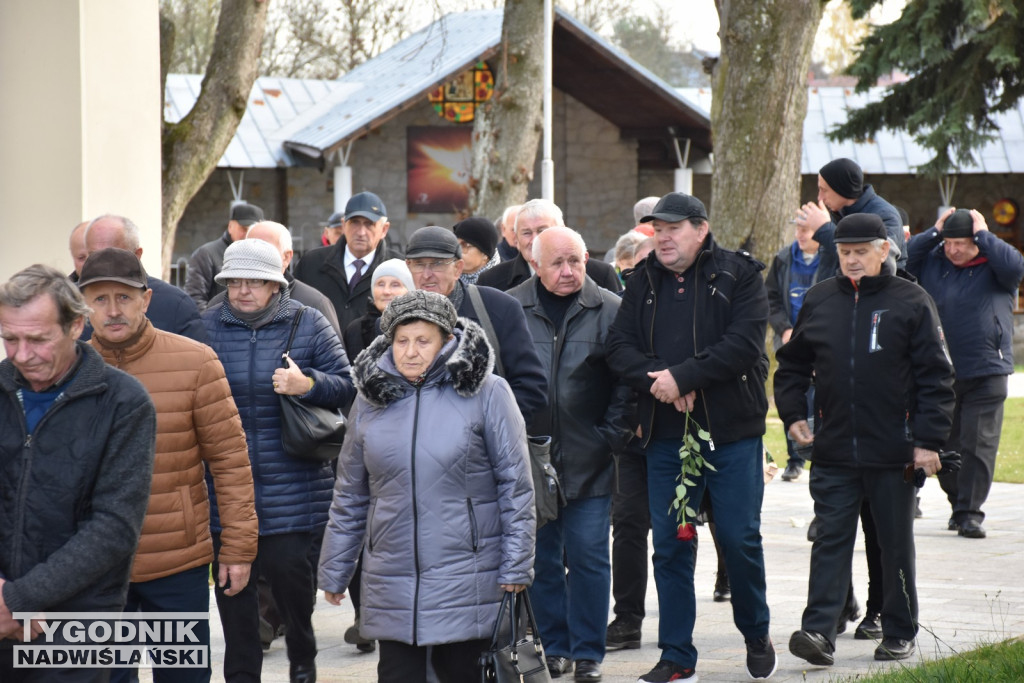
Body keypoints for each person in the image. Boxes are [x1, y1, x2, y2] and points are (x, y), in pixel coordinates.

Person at [318, 290, 535, 683]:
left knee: (460, 674)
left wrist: (517, 563)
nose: (411, 351)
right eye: (402, 340)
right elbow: (350, 493)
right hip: (392, 577)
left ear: (447, 342)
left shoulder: (488, 392)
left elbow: (515, 486)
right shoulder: (371, 400)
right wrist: (335, 570)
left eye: (423, 340)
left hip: (465, 575)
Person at [605, 192, 776, 682]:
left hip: (731, 434)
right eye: (658, 228)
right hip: (666, 436)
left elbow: (742, 347)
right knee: (673, 545)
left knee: (740, 538)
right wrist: (661, 380)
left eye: (674, 228)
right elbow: (619, 348)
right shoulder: (642, 281)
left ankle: (756, 631)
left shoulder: (739, 275)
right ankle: (677, 656)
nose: (663, 236)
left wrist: (685, 377)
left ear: (701, 230)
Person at [776, 213, 955, 666]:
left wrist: (928, 441)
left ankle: (898, 629)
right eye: (845, 253)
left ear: (883, 250)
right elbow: (792, 365)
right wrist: (794, 414)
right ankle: (818, 630)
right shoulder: (820, 299)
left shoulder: (911, 300)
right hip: (833, 447)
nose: (852, 261)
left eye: (860, 252)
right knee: (830, 538)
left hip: (895, 448)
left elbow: (937, 376)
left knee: (894, 541)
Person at [80, 248, 258, 683]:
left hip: (178, 563)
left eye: (123, 297)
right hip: (94, 566)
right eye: (100, 299)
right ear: (84, 305)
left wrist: (237, 548)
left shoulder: (196, 362)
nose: (113, 310)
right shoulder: (70, 369)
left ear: (146, 299)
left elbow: (230, 462)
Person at [202, 239, 355, 683]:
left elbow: (347, 384)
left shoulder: (308, 323)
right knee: (235, 592)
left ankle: (303, 664)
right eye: (235, 281)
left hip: (294, 483)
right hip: (226, 488)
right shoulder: (207, 326)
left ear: (275, 284)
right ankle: (241, 675)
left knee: (293, 590)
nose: (243, 290)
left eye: (255, 281)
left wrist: (307, 383)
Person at [0, 264, 157, 682]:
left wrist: (20, 598)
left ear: (75, 327)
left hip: (75, 625)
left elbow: (114, 526)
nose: (20, 354)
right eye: (9, 338)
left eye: (37, 339)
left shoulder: (123, 402)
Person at [507, 227, 632, 681]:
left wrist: (609, 436)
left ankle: (588, 653)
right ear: (535, 264)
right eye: (557, 263)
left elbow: (628, 383)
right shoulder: (510, 307)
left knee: (590, 558)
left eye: (575, 261)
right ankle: (555, 647)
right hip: (529, 458)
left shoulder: (611, 310)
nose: (568, 271)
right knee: (541, 558)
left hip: (590, 456)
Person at [907, 207, 1024, 539]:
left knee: (978, 445)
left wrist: (984, 233)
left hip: (986, 370)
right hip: (939, 372)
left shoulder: (996, 266)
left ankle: (970, 512)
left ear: (976, 242)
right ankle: (958, 502)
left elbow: (1017, 265)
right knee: (944, 444)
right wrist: (935, 230)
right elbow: (905, 259)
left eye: (961, 243)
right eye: (948, 243)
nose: (953, 250)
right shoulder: (932, 261)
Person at [405, 225, 547, 424]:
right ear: (408, 267)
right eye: (419, 264)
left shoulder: (498, 309)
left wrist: (484, 431)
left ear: (458, 268)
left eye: (437, 264)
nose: (427, 274)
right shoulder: (392, 322)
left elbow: (531, 388)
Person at [82, 214, 208, 343]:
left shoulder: (176, 305)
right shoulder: (68, 304)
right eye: (95, 256)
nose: (113, 312)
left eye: (124, 297)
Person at [207, 220, 342, 337]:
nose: (257, 257)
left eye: (267, 251)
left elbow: (335, 364)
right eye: (251, 249)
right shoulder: (218, 307)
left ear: (286, 257)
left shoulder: (314, 304)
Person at [294, 191, 403, 331]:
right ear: (344, 225)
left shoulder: (400, 269)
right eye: (355, 223)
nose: (361, 232)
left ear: (384, 229)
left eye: (369, 224)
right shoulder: (311, 264)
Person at [765, 219, 822, 482]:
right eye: (798, 229)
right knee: (791, 396)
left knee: (816, 399)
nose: (801, 234)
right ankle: (795, 459)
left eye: (807, 229)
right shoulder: (784, 257)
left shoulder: (830, 258)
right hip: (790, 340)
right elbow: (771, 298)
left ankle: (818, 452)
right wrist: (784, 329)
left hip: (820, 341)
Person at [477, 199, 622, 293]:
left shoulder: (601, 276)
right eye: (526, 233)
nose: (535, 240)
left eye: (542, 231)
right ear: (516, 239)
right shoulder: (492, 281)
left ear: (563, 229)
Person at [794, 158, 906, 276]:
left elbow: (881, 262)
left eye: (824, 190)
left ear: (841, 189)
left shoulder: (885, 215)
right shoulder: (836, 215)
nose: (820, 198)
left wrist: (824, 228)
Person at [186, 202, 264, 310]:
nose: (247, 234)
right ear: (230, 226)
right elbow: (195, 300)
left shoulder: (265, 258)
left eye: (252, 230)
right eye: (244, 229)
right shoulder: (206, 254)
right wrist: (214, 322)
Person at [343, 258, 415, 360]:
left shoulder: (421, 327)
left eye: (395, 285)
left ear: (410, 291)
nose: (386, 291)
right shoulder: (355, 329)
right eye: (380, 284)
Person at [454, 216, 500, 285]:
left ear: (485, 254)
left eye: (465, 245)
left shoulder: (505, 280)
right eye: (456, 244)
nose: (457, 251)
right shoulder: (448, 280)